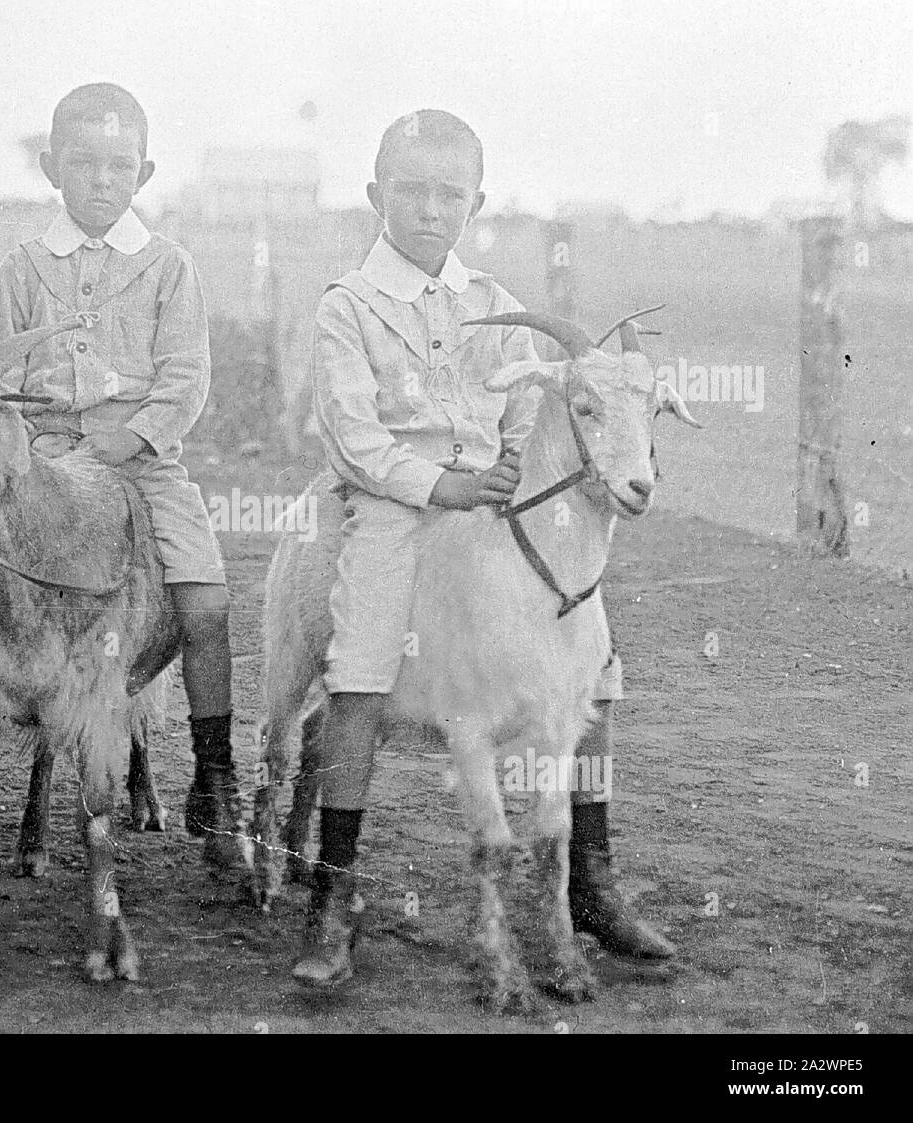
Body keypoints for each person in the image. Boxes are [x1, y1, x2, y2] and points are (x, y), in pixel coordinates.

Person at [294, 108, 675, 987]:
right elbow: (352, 436)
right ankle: (333, 893)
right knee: (360, 675)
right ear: (375, 196)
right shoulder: (349, 307)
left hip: (496, 505)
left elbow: (524, 412)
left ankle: (591, 880)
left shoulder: (494, 304)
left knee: (596, 672)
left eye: (449, 194)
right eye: (411, 191)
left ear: (476, 202)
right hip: (401, 505)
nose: (430, 209)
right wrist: (443, 485)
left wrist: (508, 471)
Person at [0, 83, 244, 869]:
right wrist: (13, 445)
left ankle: (216, 773)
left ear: (145, 172)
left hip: (142, 461)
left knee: (206, 597)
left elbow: (186, 379)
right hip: (40, 456)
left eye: (119, 166)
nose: (101, 179)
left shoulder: (168, 266)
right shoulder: (26, 266)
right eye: (84, 163)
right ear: (53, 168)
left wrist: (136, 438)